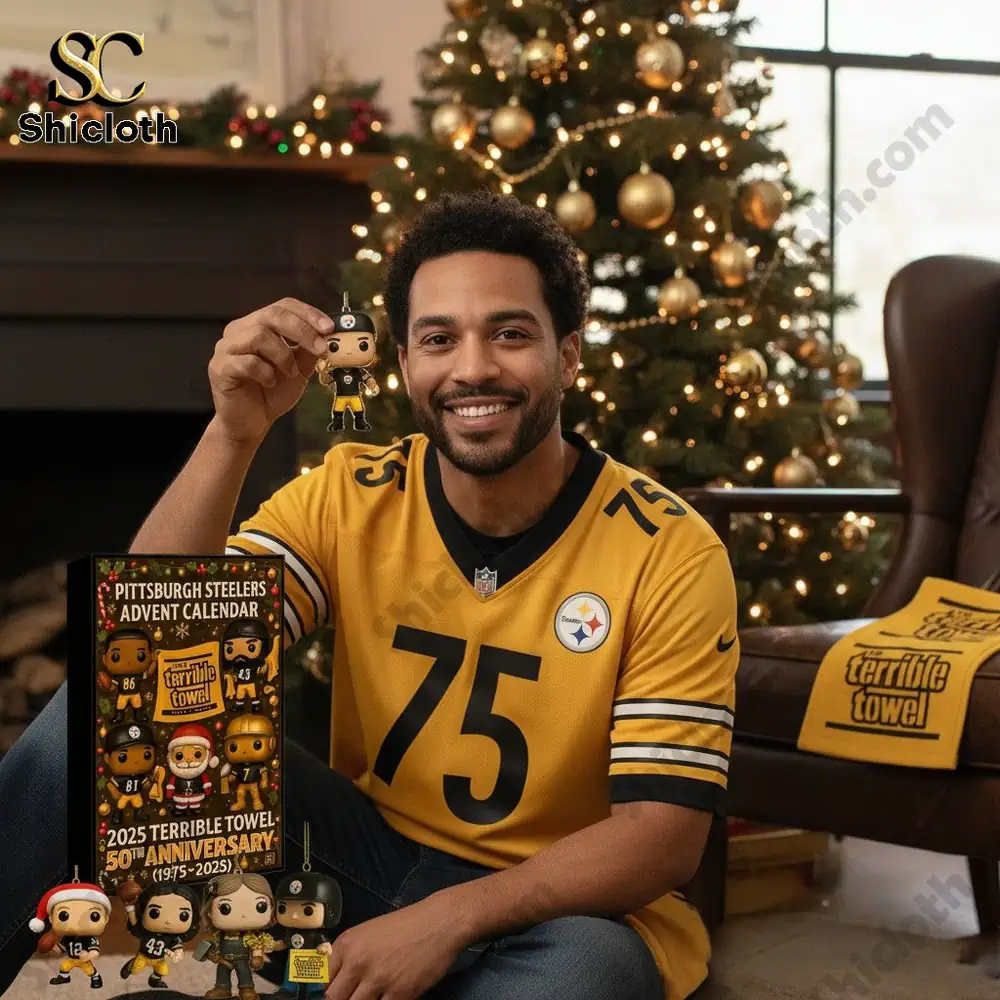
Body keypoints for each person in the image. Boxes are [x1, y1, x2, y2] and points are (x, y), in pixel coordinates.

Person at [0, 190, 738, 1000]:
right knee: (100, 717)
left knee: (587, 976)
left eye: (511, 334)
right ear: (405, 365)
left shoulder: (668, 549)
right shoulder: (352, 495)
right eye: (438, 339)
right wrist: (232, 433)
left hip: (557, 914)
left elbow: (659, 838)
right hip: (360, 858)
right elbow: (148, 654)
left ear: (568, 356)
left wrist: (449, 918)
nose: (473, 368)